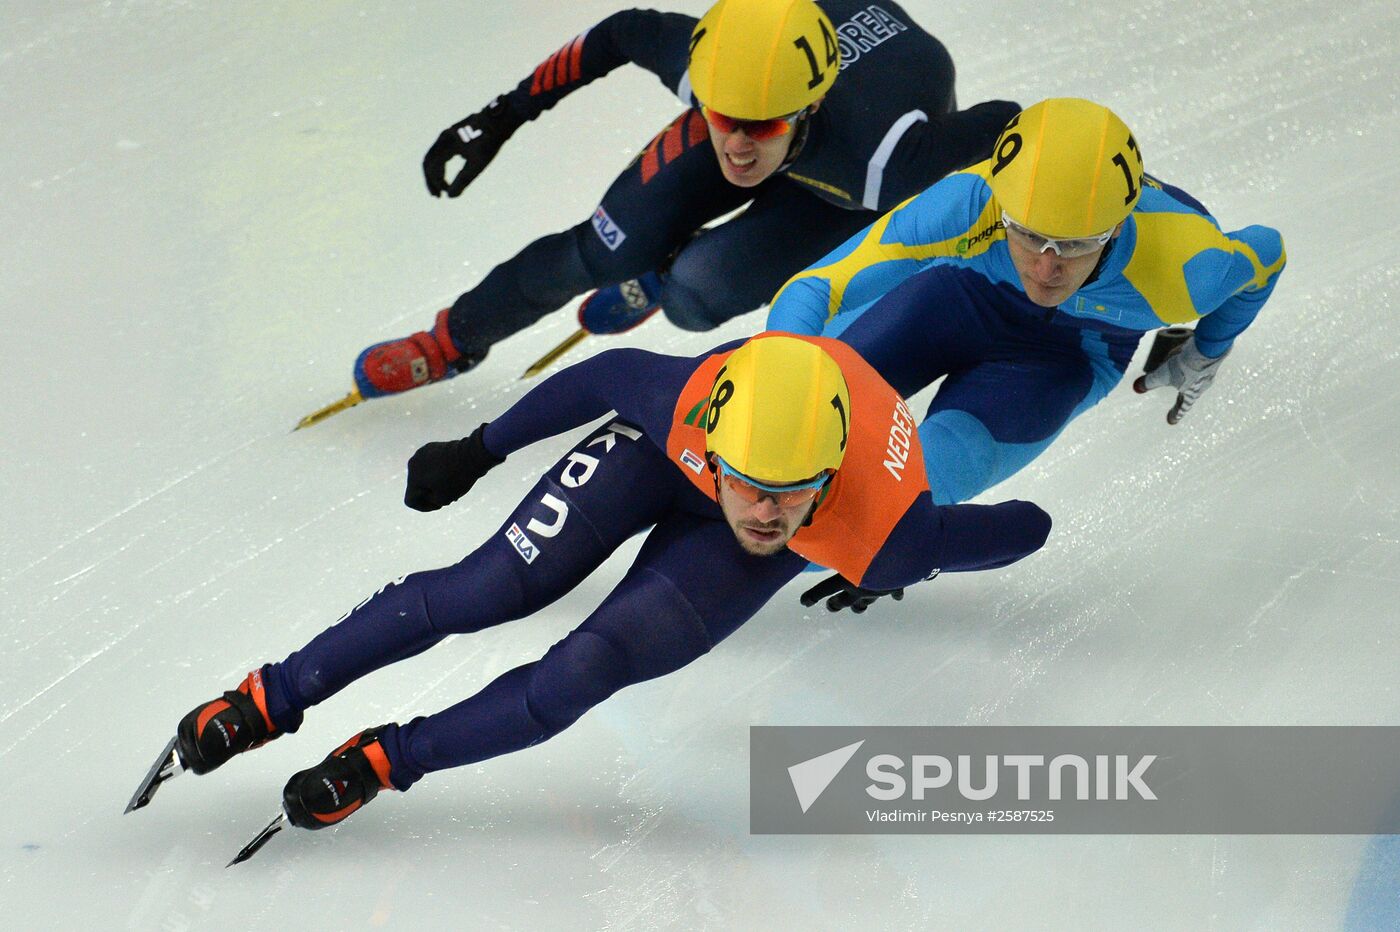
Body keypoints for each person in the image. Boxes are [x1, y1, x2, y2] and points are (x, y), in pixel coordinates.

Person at [173, 334, 1050, 832]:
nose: (763, 512)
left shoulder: (880, 533)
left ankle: (381, 760)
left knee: (582, 673)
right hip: (663, 461)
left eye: (791, 498)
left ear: (828, 484)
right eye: (748, 484)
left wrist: (915, 549)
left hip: (808, 513)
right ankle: (268, 696)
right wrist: (479, 449)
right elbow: (603, 376)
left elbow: (1023, 531)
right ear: (718, 448)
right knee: (486, 590)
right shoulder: (685, 402)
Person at [350, 0, 1019, 400]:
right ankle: (451, 339)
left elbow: (1015, 127)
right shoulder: (716, 67)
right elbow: (619, 32)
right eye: (722, 117)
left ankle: (664, 277)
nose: (736, 145)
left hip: (843, 183)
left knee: (695, 297)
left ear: (811, 101)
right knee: (599, 250)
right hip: (815, 122)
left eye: (759, 126)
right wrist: (501, 116)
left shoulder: (891, 159)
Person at [766, 97, 1287, 505]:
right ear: (1004, 206)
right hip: (960, 297)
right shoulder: (972, 201)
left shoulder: (1186, 271)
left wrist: (1207, 349)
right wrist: (773, 373)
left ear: (1116, 228)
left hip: (1067, 356)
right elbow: (817, 286)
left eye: (1077, 245)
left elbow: (1268, 252)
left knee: (892, 500)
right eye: (1027, 234)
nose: (1045, 268)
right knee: (781, 421)